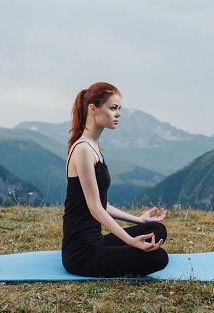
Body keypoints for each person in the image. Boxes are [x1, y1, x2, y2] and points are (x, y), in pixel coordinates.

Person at [62, 82, 169, 277]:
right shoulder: (83, 149)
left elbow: (100, 203)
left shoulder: (94, 146)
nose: (118, 114)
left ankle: (135, 237)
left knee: (156, 229)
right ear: (93, 109)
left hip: (96, 240)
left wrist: (139, 219)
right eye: (113, 108)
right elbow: (95, 208)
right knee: (159, 258)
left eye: (119, 108)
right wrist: (130, 240)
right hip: (81, 253)